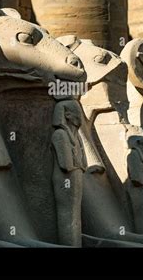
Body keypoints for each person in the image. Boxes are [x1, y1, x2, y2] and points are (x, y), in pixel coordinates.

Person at [51, 100, 86, 246]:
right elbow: (66, 164)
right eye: (75, 111)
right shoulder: (60, 135)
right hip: (66, 178)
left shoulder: (77, 137)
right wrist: (78, 165)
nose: (79, 115)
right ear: (67, 115)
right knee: (68, 215)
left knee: (76, 215)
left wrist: (78, 166)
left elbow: (83, 163)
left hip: (76, 176)